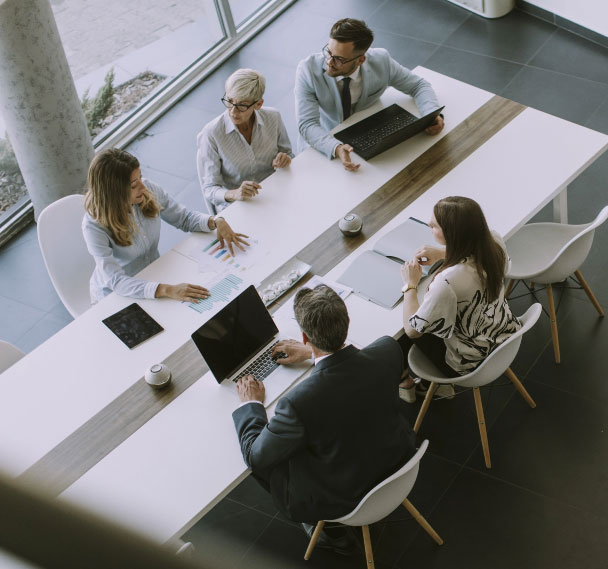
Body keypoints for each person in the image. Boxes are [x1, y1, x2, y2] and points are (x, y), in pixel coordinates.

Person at [232, 285, 415, 551]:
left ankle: (330, 530)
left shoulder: (297, 404)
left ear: (304, 337)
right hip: (398, 458)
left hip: (347, 494)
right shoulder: (388, 351)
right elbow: (358, 365)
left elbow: (255, 456)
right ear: (346, 322)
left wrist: (251, 403)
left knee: (268, 461)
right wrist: (314, 354)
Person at [83, 148, 249, 303]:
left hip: (155, 275)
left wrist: (215, 221)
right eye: (134, 185)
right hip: (117, 296)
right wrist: (166, 290)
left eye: (140, 177)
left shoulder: (147, 189)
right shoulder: (93, 226)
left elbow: (183, 218)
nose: (143, 186)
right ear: (114, 192)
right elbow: (116, 281)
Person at [399, 196, 521, 401]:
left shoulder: (447, 282)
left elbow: (412, 330)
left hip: (467, 362)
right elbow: (475, 254)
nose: (428, 223)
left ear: (451, 233)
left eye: (434, 225)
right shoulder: (495, 242)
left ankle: (409, 383)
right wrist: (442, 253)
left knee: (399, 335)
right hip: (501, 334)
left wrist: (410, 285)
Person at [295, 18, 444, 172]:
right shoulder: (307, 70)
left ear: (361, 59)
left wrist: (431, 115)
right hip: (327, 138)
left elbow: (418, 85)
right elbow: (307, 124)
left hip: (369, 131)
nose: (330, 62)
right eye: (329, 52)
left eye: (339, 59)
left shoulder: (381, 61)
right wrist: (336, 148)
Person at [196, 68, 294, 214]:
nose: (233, 112)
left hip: (275, 193)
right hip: (238, 207)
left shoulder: (274, 117)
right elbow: (210, 189)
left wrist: (285, 159)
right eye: (229, 101)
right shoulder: (212, 133)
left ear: (258, 104)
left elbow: (288, 153)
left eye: (242, 105)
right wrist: (234, 193)